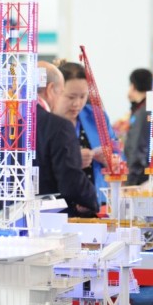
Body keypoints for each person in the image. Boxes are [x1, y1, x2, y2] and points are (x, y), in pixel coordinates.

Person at [35, 61, 99, 215]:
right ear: (51, 89)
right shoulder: (58, 126)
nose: (77, 103)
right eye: (67, 95)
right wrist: (91, 201)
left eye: (83, 96)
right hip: (50, 216)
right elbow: (70, 180)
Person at [53, 61, 119, 206]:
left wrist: (110, 159)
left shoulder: (97, 117)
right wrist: (73, 161)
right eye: (71, 97)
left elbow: (118, 155)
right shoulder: (44, 122)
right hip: (58, 206)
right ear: (55, 91)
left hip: (96, 202)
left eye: (83, 96)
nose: (77, 103)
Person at [125, 68, 153, 185]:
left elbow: (137, 147)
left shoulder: (143, 112)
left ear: (133, 86)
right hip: (147, 173)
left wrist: (131, 181)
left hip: (140, 177)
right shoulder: (149, 108)